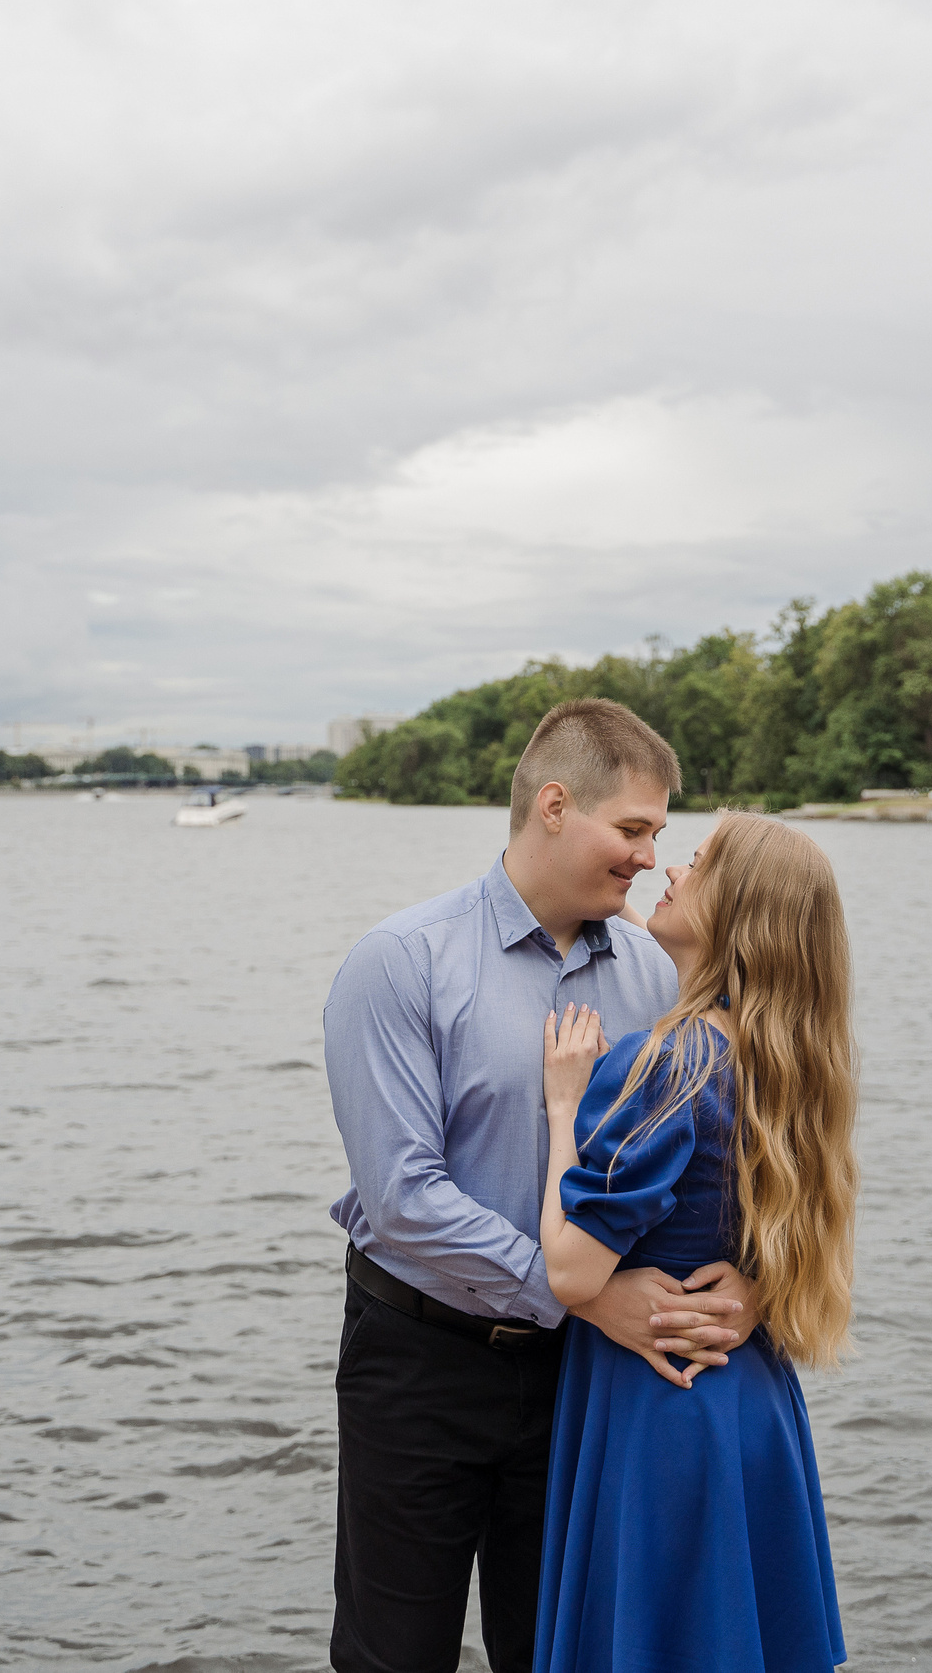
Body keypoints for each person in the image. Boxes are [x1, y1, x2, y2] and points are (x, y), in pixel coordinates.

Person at [324, 699, 761, 1673]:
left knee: (560, 1651)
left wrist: (751, 1277)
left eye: (658, 834)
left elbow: (734, 1150)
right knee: (394, 1655)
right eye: (634, 828)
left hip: (588, 1384)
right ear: (555, 805)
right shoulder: (401, 965)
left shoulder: (658, 974)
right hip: (420, 1366)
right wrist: (590, 1296)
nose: (651, 857)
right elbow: (402, 1199)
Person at [534, 811, 856, 1672]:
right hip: (752, 1401)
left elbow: (569, 1268)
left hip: (662, 1406)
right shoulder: (788, 1061)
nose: (671, 868)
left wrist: (565, 1105)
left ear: (738, 912)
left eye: (700, 862)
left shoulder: (664, 1067)